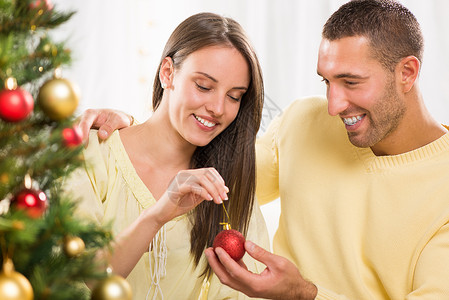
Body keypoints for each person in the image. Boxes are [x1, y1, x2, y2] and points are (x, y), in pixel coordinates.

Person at [80, 0, 449, 299]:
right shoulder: (306, 120)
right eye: (327, 81)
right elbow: (210, 155)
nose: (333, 105)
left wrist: (305, 294)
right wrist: (129, 125)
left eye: (351, 82)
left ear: (407, 73)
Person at [67, 12, 270, 300]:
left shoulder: (225, 187)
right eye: (203, 86)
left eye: (234, 96)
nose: (218, 108)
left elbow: (249, 290)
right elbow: (83, 274)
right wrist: (158, 214)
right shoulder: (92, 152)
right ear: (167, 73)